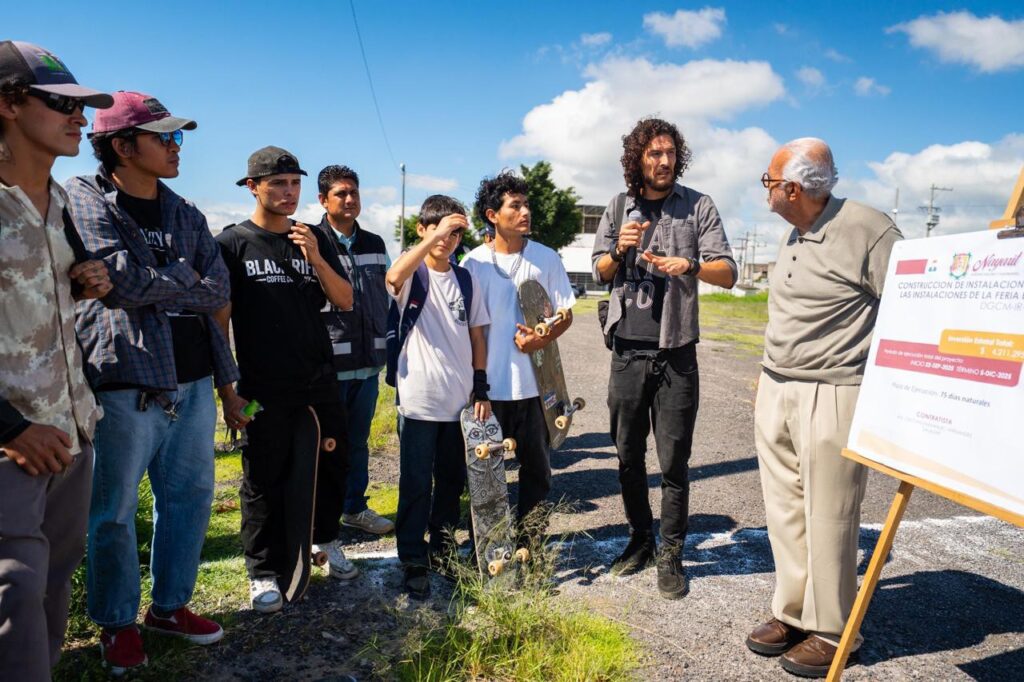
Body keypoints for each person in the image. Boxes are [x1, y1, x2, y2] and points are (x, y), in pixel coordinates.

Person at [66, 90, 235, 672]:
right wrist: (178, 278)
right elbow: (117, 281)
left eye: (177, 136)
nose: (174, 146)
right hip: (126, 378)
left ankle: (169, 607)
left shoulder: (184, 210)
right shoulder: (84, 199)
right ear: (121, 146)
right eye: (163, 137)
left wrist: (158, 279)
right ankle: (115, 622)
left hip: (192, 378)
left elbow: (218, 290)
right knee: (113, 509)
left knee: (189, 498)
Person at [746, 138, 902, 677]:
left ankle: (835, 630)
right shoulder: (795, 229)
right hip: (777, 386)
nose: (764, 189)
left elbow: (906, 309)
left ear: (793, 188)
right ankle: (792, 611)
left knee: (831, 514)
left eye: (768, 181)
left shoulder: (867, 228)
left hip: (834, 390)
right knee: (784, 507)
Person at [0, 40, 112, 680]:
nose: (80, 118)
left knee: (49, 594)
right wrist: (11, 429)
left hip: (72, 434)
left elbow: (41, 284)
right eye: (61, 104)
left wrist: (83, 276)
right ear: (8, 104)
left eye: (83, 107)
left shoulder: (61, 202)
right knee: (12, 603)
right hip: (14, 448)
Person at [591, 117, 737, 599]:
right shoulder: (618, 206)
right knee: (628, 457)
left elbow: (729, 272)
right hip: (627, 353)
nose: (663, 160)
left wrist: (690, 264)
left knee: (674, 460)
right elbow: (599, 271)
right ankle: (640, 540)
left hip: (676, 353)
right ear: (638, 158)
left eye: (670, 152)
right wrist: (619, 248)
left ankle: (671, 553)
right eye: (653, 153)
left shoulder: (699, 206)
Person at [214, 147, 356, 613]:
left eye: (294, 183)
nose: (288, 192)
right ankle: (262, 571)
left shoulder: (311, 237)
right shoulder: (233, 243)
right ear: (253, 187)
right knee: (263, 477)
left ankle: (326, 540)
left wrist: (315, 255)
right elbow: (221, 321)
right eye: (277, 184)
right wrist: (228, 390)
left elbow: (345, 299)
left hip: (317, 379)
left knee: (333, 464)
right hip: (262, 386)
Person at [386, 195, 490, 599]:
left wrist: (480, 387)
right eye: (441, 229)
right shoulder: (415, 274)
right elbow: (393, 277)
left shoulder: (466, 279)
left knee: (451, 482)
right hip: (418, 401)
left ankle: (443, 548)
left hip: (460, 403)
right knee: (415, 484)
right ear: (422, 229)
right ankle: (413, 557)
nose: (449, 239)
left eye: (457, 232)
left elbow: (478, 334)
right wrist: (434, 240)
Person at [463, 171, 575, 540]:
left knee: (537, 471)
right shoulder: (473, 264)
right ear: (492, 215)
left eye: (527, 204)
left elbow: (565, 312)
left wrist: (543, 339)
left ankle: (532, 541)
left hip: (535, 388)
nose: (525, 211)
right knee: (484, 474)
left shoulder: (546, 258)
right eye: (516, 205)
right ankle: (491, 547)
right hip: (488, 391)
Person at [312, 165, 394, 536]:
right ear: (323, 200)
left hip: (368, 364)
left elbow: (387, 300)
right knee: (324, 445)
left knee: (358, 443)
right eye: (341, 194)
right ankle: (318, 518)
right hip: (328, 367)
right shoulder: (310, 241)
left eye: (354, 193)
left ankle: (354, 508)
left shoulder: (375, 243)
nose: (349, 200)